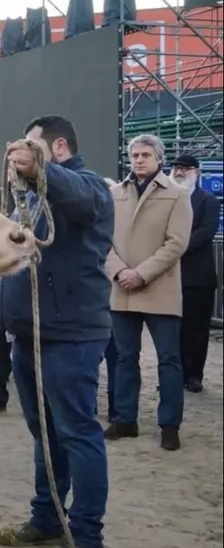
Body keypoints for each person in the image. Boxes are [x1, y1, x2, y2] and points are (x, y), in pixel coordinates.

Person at [0, 115, 114, 548]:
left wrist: (39, 169)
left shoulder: (89, 188)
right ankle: (47, 518)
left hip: (71, 333)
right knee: (44, 434)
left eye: (30, 149)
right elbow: (17, 260)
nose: (18, 160)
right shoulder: (27, 202)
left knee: (77, 433)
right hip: (26, 332)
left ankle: (87, 539)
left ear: (58, 146)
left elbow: (81, 199)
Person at [105, 134, 192, 450]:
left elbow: (177, 243)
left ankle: (170, 425)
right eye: (134, 155)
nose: (138, 160)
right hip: (122, 289)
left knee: (169, 360)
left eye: (144, 155)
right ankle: (125, 420)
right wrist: (119, 271)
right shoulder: (115, 193)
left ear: (159, 158)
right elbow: (104, 240)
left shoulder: (178, 194)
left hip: (159, 289)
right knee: (125, 357)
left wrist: (141, 273)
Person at [170, 154, 221, 394]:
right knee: (171, 330)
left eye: (185, 169)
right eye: (177, 168)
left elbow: (205, 233)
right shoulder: (166, 199)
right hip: (169, 275)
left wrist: (174, 248)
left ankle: (193, 375)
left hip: (197, 277)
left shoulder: (207, 200)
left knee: (196, 330)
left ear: (196, 173)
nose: (179, 172)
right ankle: (174, 375)